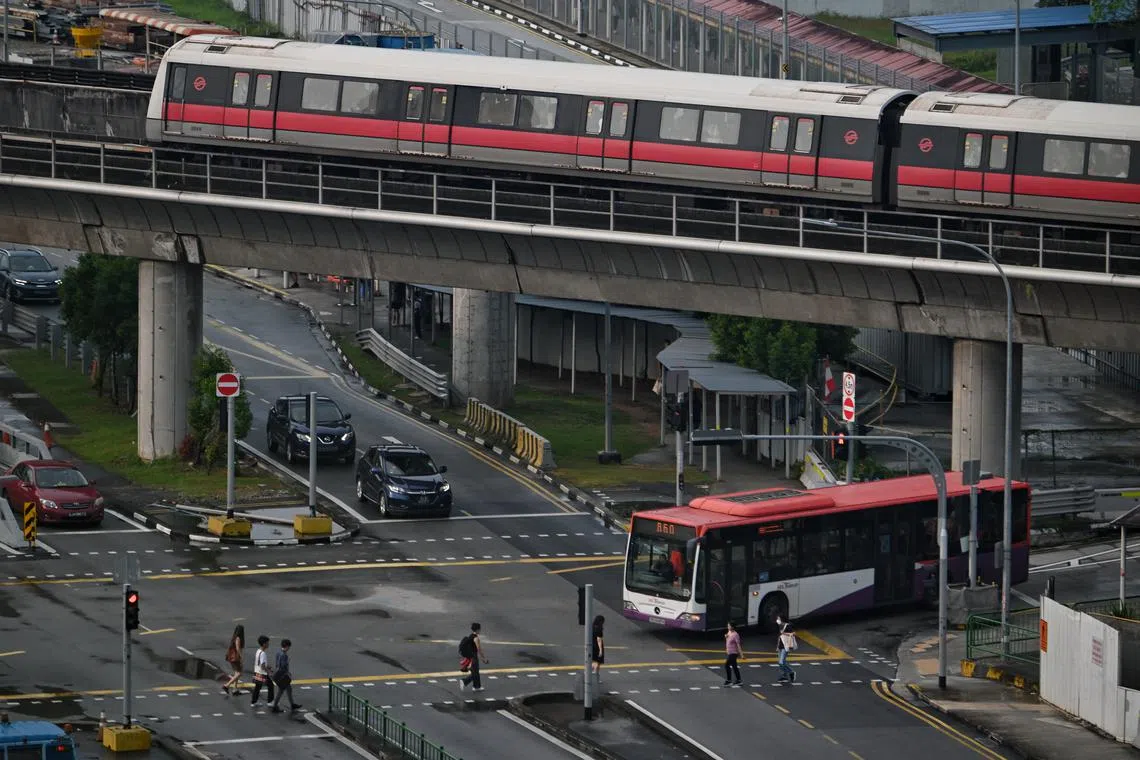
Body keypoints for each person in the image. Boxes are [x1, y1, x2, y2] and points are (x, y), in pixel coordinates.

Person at [271, 639, 302, 714]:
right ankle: (275, 706)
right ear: (287, 646)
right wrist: (287, 672)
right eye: (289, 647)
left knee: (289, 689)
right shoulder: (284, 655)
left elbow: (277, 664)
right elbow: (283, 666)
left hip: (278, 674)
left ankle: (292, 704)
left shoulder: (278, 653)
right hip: (283, 675)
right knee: (281, 691)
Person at [458, 623, 489, 692]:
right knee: (475, 672)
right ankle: (464, 681)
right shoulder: (476, 638)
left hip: (470, 656)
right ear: (478, 629)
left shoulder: (471, 636)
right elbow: (479, 649)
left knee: (475, 671)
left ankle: (476, 686)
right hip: (473, 656)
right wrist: (484, 658)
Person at [250, 635, 275, 706]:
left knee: (257, 687)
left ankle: (254, 702)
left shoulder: (258, 651)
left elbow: (259, 663)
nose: (268, 644)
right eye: (267, 643)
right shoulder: (263, 653)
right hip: (262, 673)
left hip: (257, 672)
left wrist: (267, 666)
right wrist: (269, 671)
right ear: (264, 644)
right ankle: (270, 701)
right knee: (270, 685)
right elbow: (262, 665)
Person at [222, 624, 245, 696]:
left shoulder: (234, 637)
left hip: (232, 657)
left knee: (236, 672)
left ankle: (235, 689)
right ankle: (226, 685)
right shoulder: (238, 638)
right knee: (239, 673)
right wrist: (241, 657)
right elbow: (238, 648)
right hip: (235, 657)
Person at [776, 616, 797, 683]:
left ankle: (791, 672)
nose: (777, 620)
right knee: (781, 662)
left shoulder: (787, 626)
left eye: (778, 619)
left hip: (786, 646)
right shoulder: (780, 626)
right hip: (780, 646)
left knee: (781, 662)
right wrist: (777, 646)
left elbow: (793, 633)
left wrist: (784, 633)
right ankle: (784, 676)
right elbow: (780, 636)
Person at [724, 622, 744, 686]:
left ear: (732, 627)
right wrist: (726, 636)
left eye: (729, 626)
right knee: (734, 666)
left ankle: (729, 680)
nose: (727, 627)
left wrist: (741, 655)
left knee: (726, 665)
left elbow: (738, 645)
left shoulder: (736, 635)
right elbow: (728, 639)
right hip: (729, 652)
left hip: (733, 653)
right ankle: (739, 680)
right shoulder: (729, 632)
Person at [591, 615, 605, 681]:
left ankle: (591, 675)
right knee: (597, 662)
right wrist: (601, 650)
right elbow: (599, 640)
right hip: (597, 647)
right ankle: (595, 677)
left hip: (591, 645)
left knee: (593, 661)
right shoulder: (599, 629)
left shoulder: (591, 627)